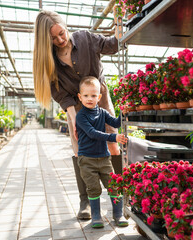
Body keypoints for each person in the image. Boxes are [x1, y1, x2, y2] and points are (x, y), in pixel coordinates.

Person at [33, 9, 122, 219]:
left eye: (61, 33)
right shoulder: (49, 58)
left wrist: (119, 23)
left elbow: (114, 45)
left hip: (99, 98)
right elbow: (58, 91)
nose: (60, 40)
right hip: (75, 104)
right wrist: (73, 117)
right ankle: (86, 201)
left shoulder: (86, 38)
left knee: (112, 144)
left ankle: (119, 195)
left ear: (65, 26)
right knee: (80, 149)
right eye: (53, 38)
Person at [76, 76, 128, 228]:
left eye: (93, 95)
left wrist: (122, 112)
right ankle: (96, 216)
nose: (89, 99)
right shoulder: (81, 116)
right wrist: (114, 137)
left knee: (113, 185)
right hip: (87, 159)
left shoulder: (103, 112)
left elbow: (116, 123)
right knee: (93, 188)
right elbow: (92, 133)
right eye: (86, 95)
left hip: (104, 158)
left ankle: (118, 215)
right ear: (80, 97)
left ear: (99, 97)